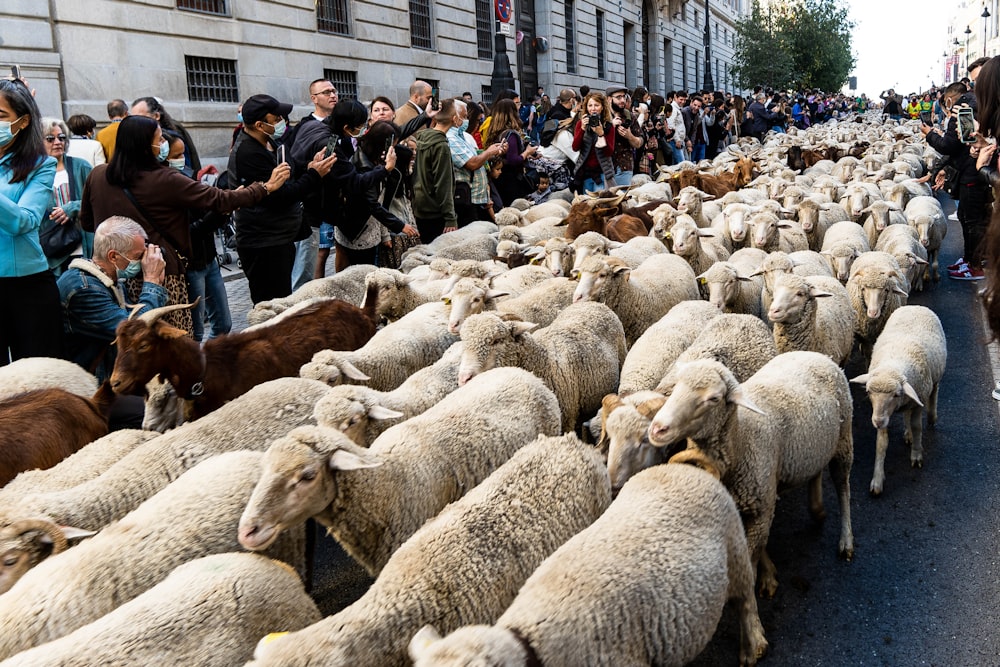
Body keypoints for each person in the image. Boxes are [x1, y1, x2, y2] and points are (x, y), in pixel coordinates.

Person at [80, 114, 288, 330]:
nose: (163, 146)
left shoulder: (98, 175)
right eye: (159, 140)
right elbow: (219, 199)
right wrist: (265, 187)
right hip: (162, 272)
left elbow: (87, 222)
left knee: (129, 339)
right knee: (176, 339)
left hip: (110, 273)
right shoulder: (165, 179)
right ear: (144, 145)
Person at [228, 94, 335, 304]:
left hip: (281, 237)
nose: (281, 122)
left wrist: (310, 166)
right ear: (260, 124)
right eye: (275, 118)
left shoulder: (271, 141)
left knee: (284, 298)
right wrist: (314, 175)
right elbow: (280, 196)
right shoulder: (248, 153)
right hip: (263, 242)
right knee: (272, 305)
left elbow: (291, 172)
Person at [0, 78, 63, 363]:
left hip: (26, 286)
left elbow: (24, 221)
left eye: (1, 115)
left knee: (37, 381)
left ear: (22, 122)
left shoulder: (42, 165)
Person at [57, 216, 166, 381]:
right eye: (138, 255)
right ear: (113, 256)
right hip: (84, 387)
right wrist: (152, 281)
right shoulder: (83, 289)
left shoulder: (106, 279)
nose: (143, 260)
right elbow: (135, 330)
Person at [162, 132, 231, 341]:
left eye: (184, 154)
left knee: (223, 323)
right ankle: (197, 371)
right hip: (191, 264)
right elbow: (187, 230)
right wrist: (217, 213)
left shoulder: (187, 176)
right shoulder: (166, 186)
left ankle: (208, 367)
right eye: (177, 155)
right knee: (195, 332)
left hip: (208, 258)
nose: (182, 159)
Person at [921, 82, 987, 280]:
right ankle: (969, 260)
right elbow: (965, 144)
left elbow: (951, 146)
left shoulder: (962, 111)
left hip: (971, 175)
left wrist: (930, 134)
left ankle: (974, 266)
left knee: (971, 221)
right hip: (972, 171)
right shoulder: (977, 107)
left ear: (949, 99)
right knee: (967, 218)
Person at [335, 120, 419, 269]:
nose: (394, 149)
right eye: (393, 145)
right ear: (383, 144)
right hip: (360, 230)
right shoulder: (364, 166)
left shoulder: (370, 154)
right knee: (361, 271)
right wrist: (400, 225)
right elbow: (372, 204)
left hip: (369, 226)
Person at [290, 79, 339, 288]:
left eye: (334, 91)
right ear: (314, 98)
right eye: (326, 92)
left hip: (332, 203)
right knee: (308, 260)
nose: (333, 95)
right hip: (310, 206)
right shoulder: (303, 127)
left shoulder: (336, 127)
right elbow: (293, 162)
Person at [39, 117, 92, 274]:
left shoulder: (81, 166)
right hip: (51, 248)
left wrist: (72, 208)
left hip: (82, 245)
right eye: (50, 138)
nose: (57, 142)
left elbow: (98, 200)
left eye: (61, 138)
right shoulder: (33, 174)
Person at [449, 100, 506, 226]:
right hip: (466, 198)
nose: (466, 121)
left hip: (476, 198)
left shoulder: (462, 136)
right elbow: (472, 163)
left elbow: (477, 157)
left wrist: (493, 151)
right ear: (454, 117)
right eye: (464, 117)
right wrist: (489, 152)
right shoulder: (451, 138)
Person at [413, 98, 459, 243]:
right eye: (463, 116)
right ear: (455, 119)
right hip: (435, 212)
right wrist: (450, 218)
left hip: (421, 207)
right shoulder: (441, 146)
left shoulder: (423, 137)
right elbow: (443, 183)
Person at [482, 99, 536, 205]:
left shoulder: (494, 131)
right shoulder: (511, 134)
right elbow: (513, 160)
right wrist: (527, 152)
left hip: (499, 178)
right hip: (511, 180)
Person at [130, 96, 201, 172]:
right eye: (133, 119)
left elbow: (186, 169)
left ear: (156, 116)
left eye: (141, 118)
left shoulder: (171, 138)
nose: (136, 123)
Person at [571, 90, 616, 192]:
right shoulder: (580, 123)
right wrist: (582, 129)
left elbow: (609, 152)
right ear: (586, 107)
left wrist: (601, 134)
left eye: (596, 105)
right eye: (590, 105)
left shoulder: (608, 125)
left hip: (601, 172)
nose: (593, 109)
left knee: (600, 203)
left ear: (602, 107)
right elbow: (575, 147)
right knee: (587, 203)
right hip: (585, 173)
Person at [606, 85, 643, 186]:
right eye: (618, 97)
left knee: (623, 198)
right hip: (604, 167)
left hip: (624, 166)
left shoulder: (629, 116)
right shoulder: (602, 117)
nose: (622, 100)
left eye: (624, 97)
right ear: (609, 99)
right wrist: (610, 127)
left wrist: (630, 136)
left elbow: (640, 142)